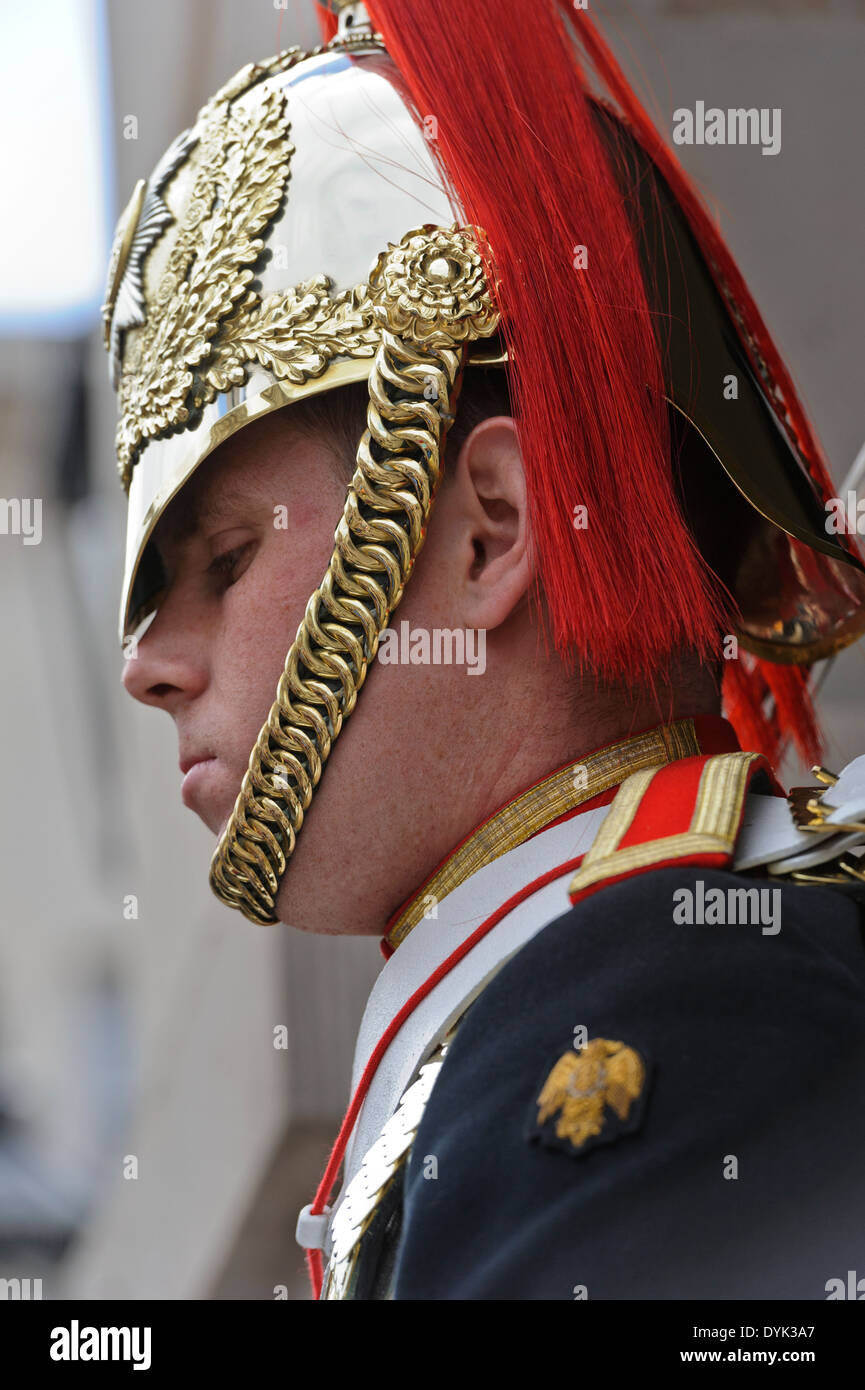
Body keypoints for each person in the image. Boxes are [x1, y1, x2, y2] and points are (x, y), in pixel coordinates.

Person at [105, 0, 865, 1299]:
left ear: (487, 530)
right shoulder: (515, 1014)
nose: (149, 664)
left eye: (227, 558)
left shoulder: (664, 1014)